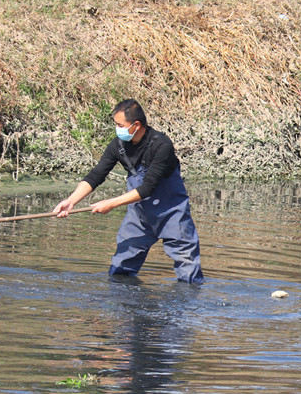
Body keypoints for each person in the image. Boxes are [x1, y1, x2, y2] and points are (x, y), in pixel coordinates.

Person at [53, 99, 203, 283]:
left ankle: (188, 305)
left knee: (188, 272)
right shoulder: (118, 145)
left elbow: (147, 187)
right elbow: (97, 174)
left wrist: (110, 204)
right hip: (139, 216)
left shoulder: (161, 145)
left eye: (120, 125)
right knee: (120, 270)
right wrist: (71, 201)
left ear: (136, 125)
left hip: (172, 213)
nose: (117, 129)